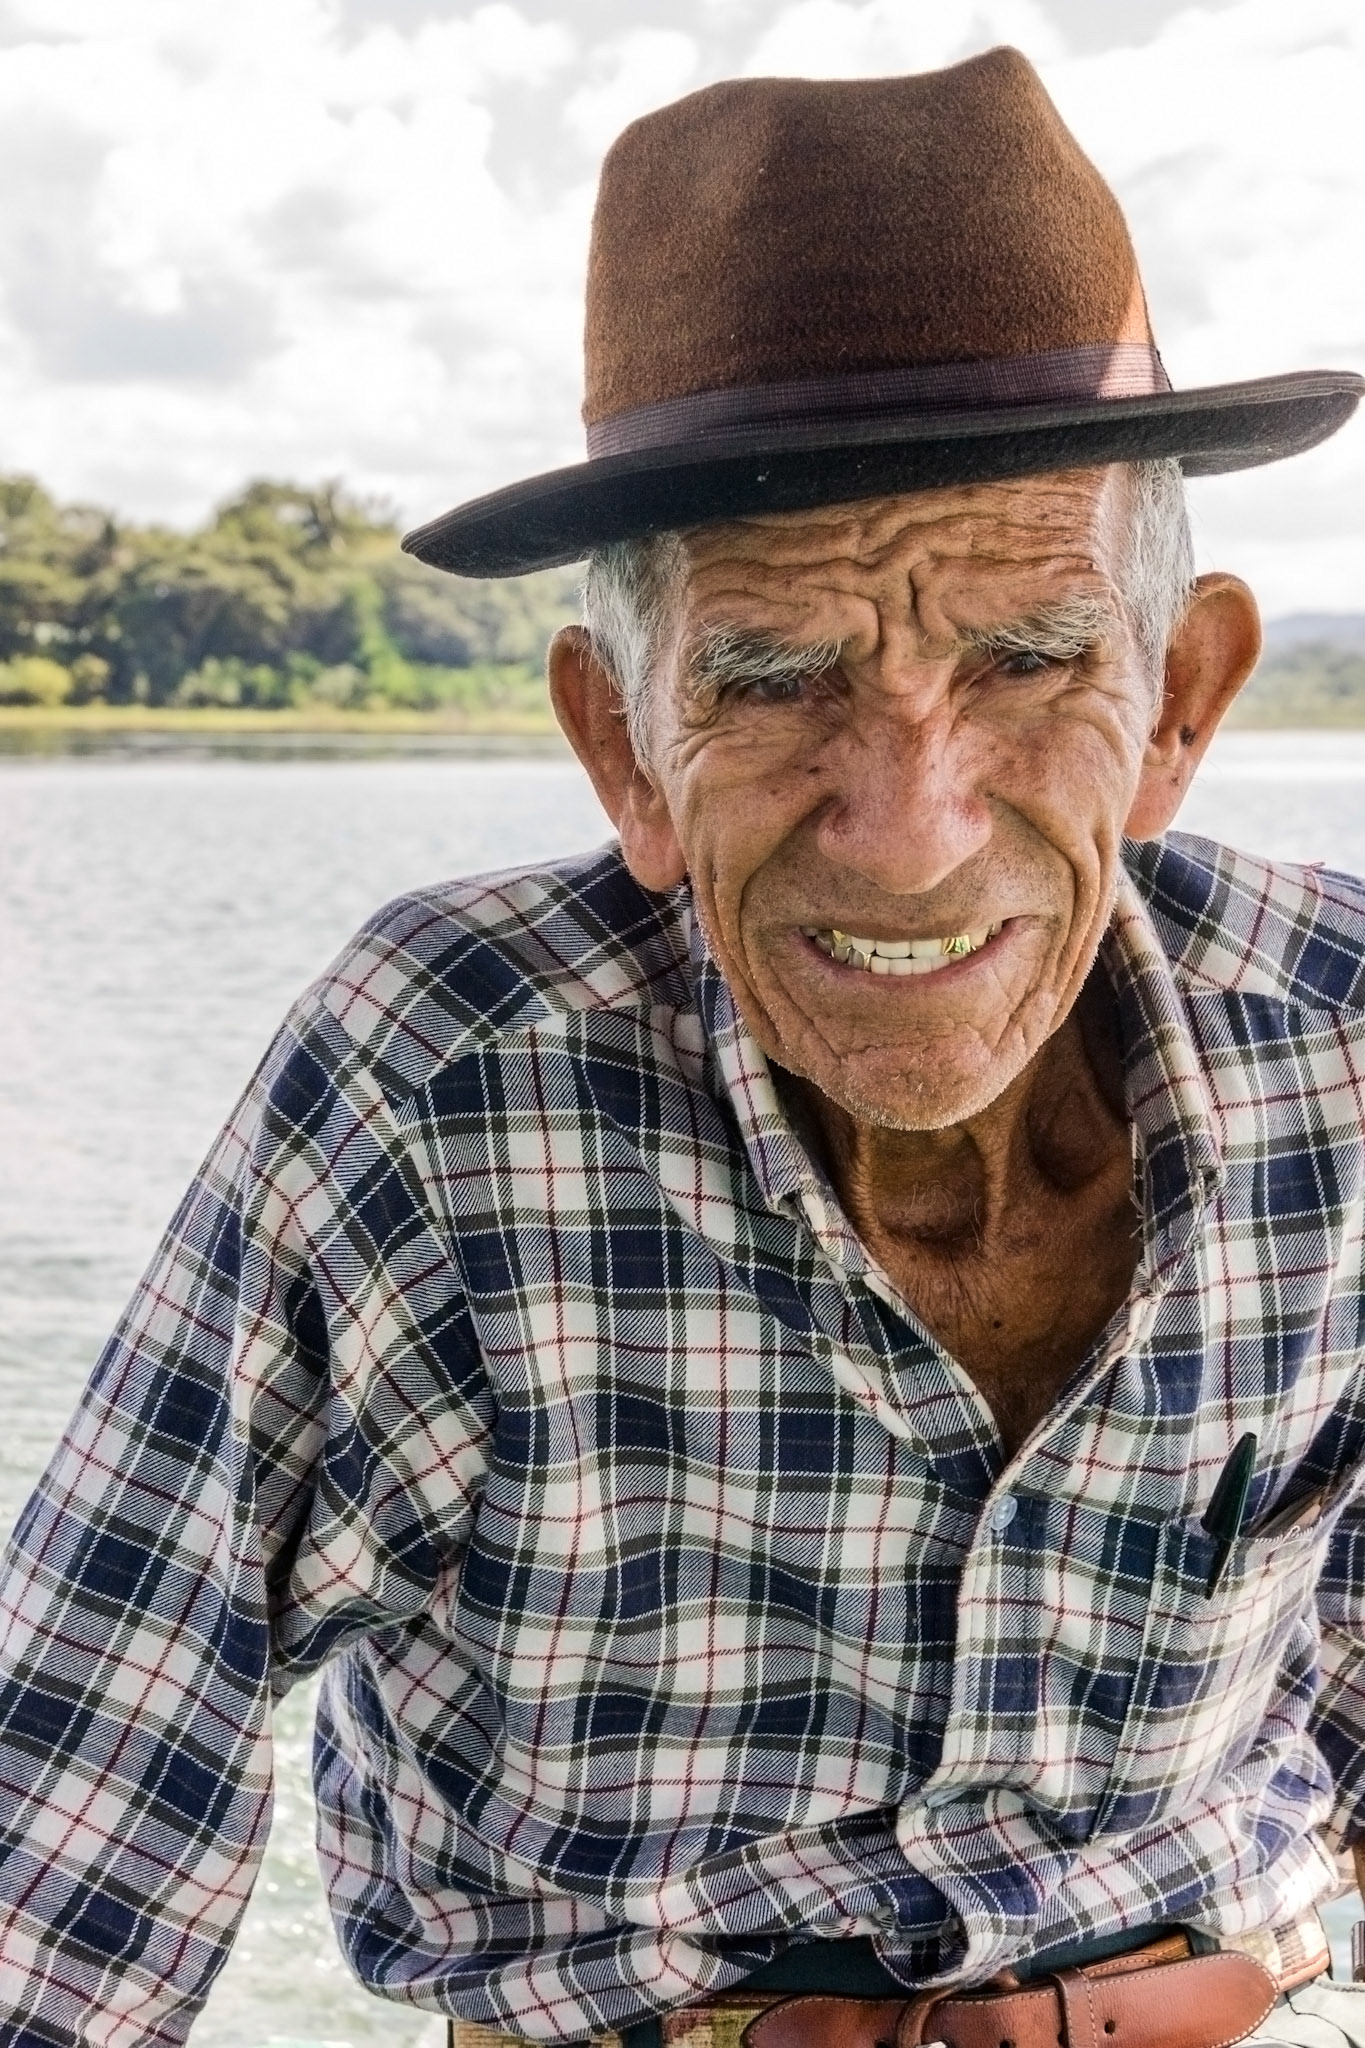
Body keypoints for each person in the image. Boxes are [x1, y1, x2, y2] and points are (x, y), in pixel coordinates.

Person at [1, 44, 1363, 2048]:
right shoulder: (438, 1091)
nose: (910, 820)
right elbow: (71, 1822)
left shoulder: (1333, 1056)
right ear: (620, 745)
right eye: (774, 673)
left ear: (1175, 703)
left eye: (1023, 658)